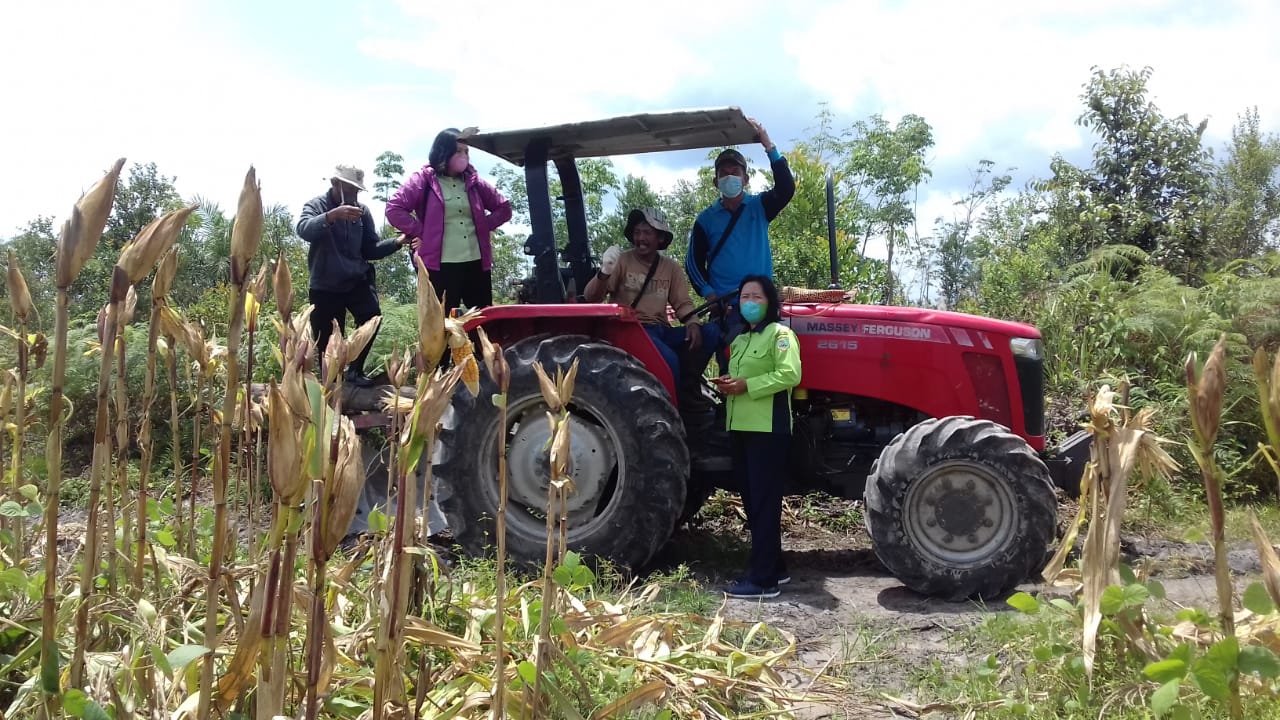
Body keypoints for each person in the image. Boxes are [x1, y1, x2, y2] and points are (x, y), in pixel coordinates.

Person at [710, 275, 802, 600]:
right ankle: (775, 566)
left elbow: (790, 374)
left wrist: (747, 385)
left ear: (769, 302)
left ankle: (763, 581)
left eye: (756, 297)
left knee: (764, 503)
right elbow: (740, 379)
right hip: (741, 428)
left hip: (767, 430)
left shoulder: (780, 335)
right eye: (745, 296)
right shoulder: (739, 340)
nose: (749, 302)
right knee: (753, 502)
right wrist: (727, 384)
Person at [685, 117, 795, 374]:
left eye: (735, 172)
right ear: (715, 182)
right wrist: (710, 294)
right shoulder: (705, 220)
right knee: (733, 369)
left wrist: (768, 145)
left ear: (745, 179)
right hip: (727, 308)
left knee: (768, 366)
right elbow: (692, 264)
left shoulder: (760, 206)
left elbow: (787, 188)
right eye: (723, 173)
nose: (729, 177)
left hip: (762, 304)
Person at [296, 165, 411, 387]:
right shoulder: (317, 205)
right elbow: (303, 229)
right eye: (350, 190)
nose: (354, 196)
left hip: (355, 281)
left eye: (357, 191)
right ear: (336, 185)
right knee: (327, 343)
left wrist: (396, 243)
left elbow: (370, 249)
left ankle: (355, 371)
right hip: (325, 286)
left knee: (372, 318)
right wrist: (331, 216)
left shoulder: (362, 212)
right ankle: (332, 386)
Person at [386, 127, 513, 312]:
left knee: (481, 321)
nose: (464, 156)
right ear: (444, 152)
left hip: (476, 264)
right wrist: (423, 232)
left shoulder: (474, 181)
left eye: (467, 151)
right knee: (440, 326)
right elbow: (394, 209)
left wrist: (482, 227)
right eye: (459, 151)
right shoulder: (423, 180)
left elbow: (504, 208)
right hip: (439, 266)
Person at [584, 208, 701, 381]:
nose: (640, 238)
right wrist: (604, 272)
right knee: (668, 362)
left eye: (647, 233)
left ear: (660, 237)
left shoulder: (671, 268)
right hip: (633, 329)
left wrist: (693, 323)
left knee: (711, 333)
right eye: (637, 232)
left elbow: (682, 303)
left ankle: (691, 385)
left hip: (661, 329)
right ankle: (675, 404)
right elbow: (591, 297)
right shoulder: (622, 261)